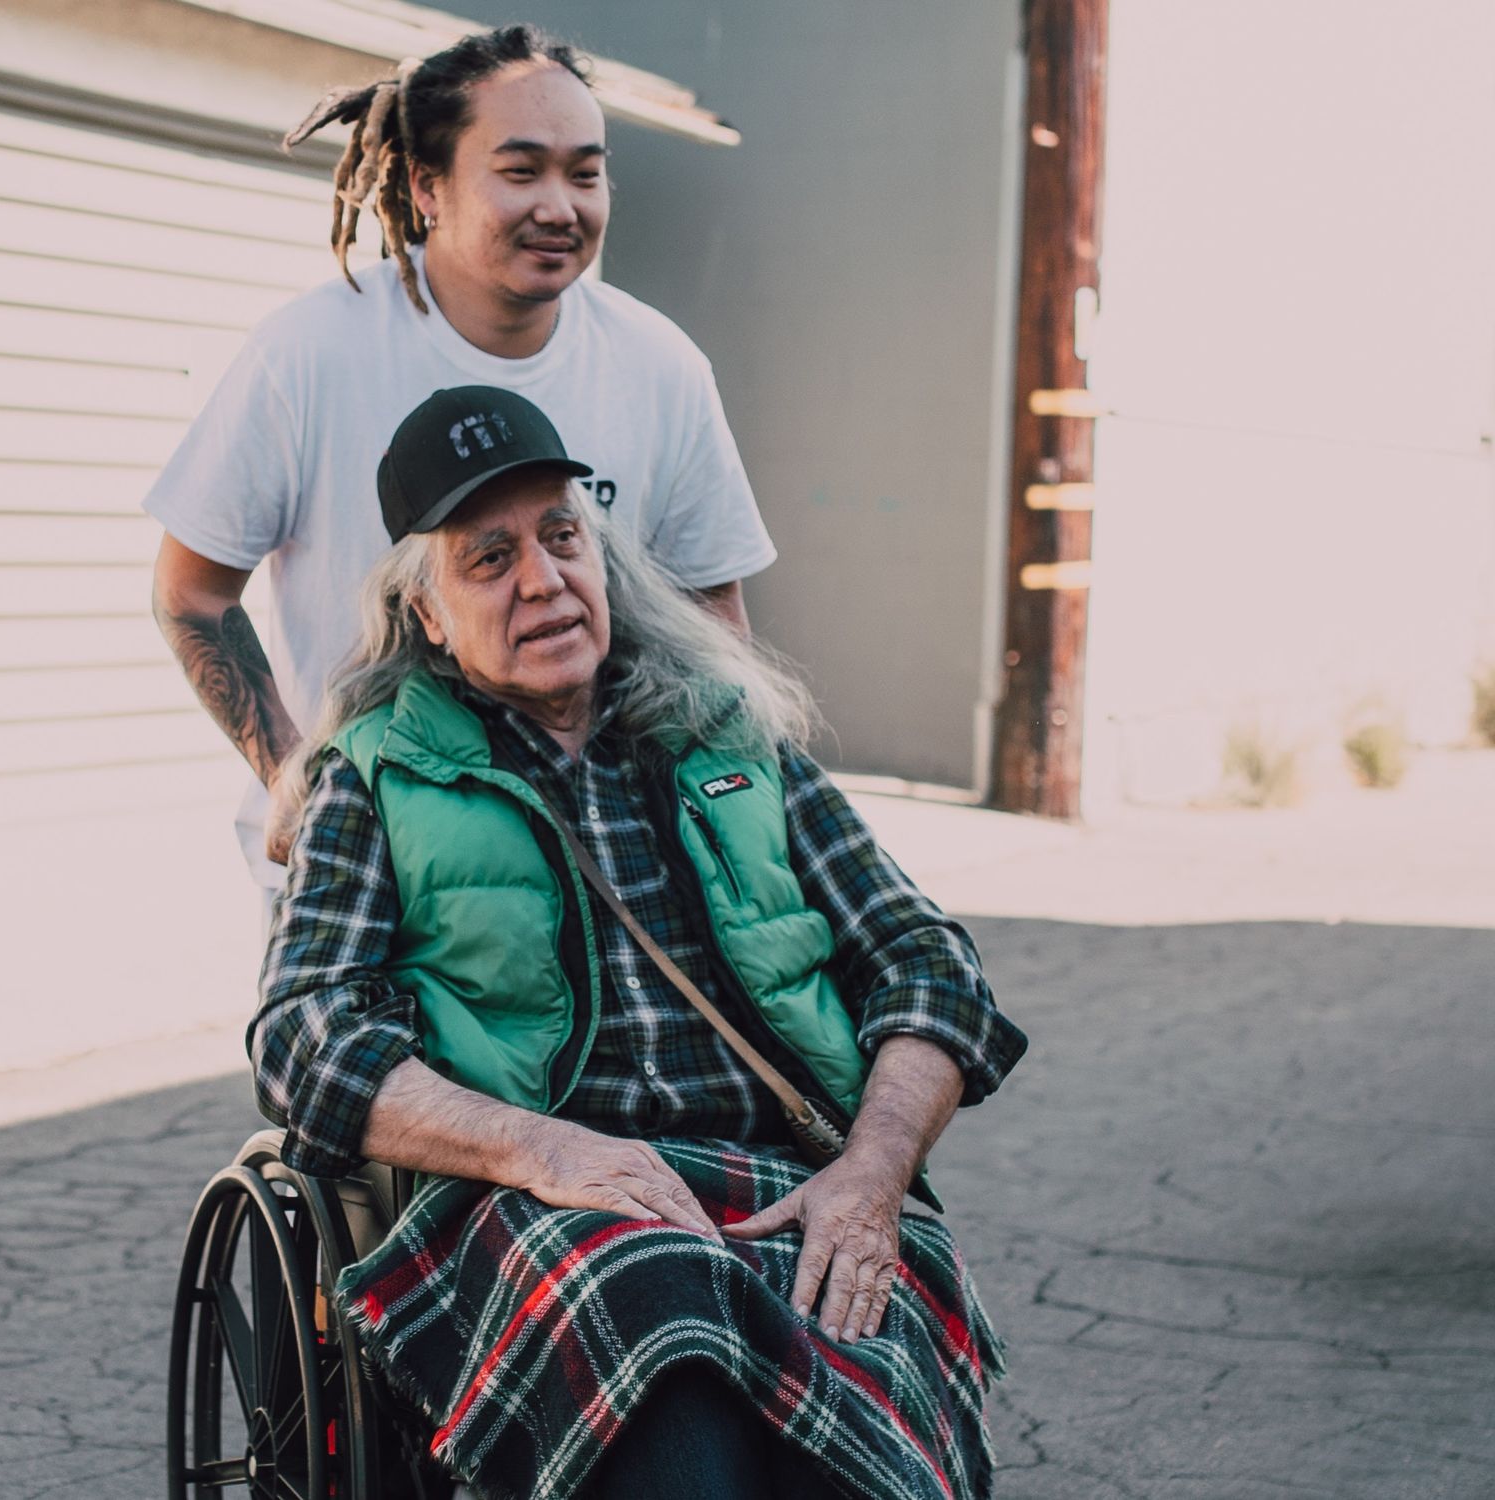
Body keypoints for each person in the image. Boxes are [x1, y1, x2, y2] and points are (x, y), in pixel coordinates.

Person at [252, 388, 1028, 1499]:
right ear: (426, 613)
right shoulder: (374, 774)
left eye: (561, 537)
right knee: (671, 1380)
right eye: (487, 559)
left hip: (784, 1184)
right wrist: (543, 1151)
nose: (540, 579)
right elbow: (303, 1038)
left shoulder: (731, 737)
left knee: (845, 1363)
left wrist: (868, 1175)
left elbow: (928, 967)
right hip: (535, 1203)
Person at [144, 25, 775, 900]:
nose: (561, 204)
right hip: (373, 878)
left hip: (604, 879)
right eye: (521, 171)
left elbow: (713, 620)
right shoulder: (308, 355)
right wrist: (295, 779)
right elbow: (191, 591)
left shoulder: (660, 365)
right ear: (427, 186)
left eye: (585, 173)